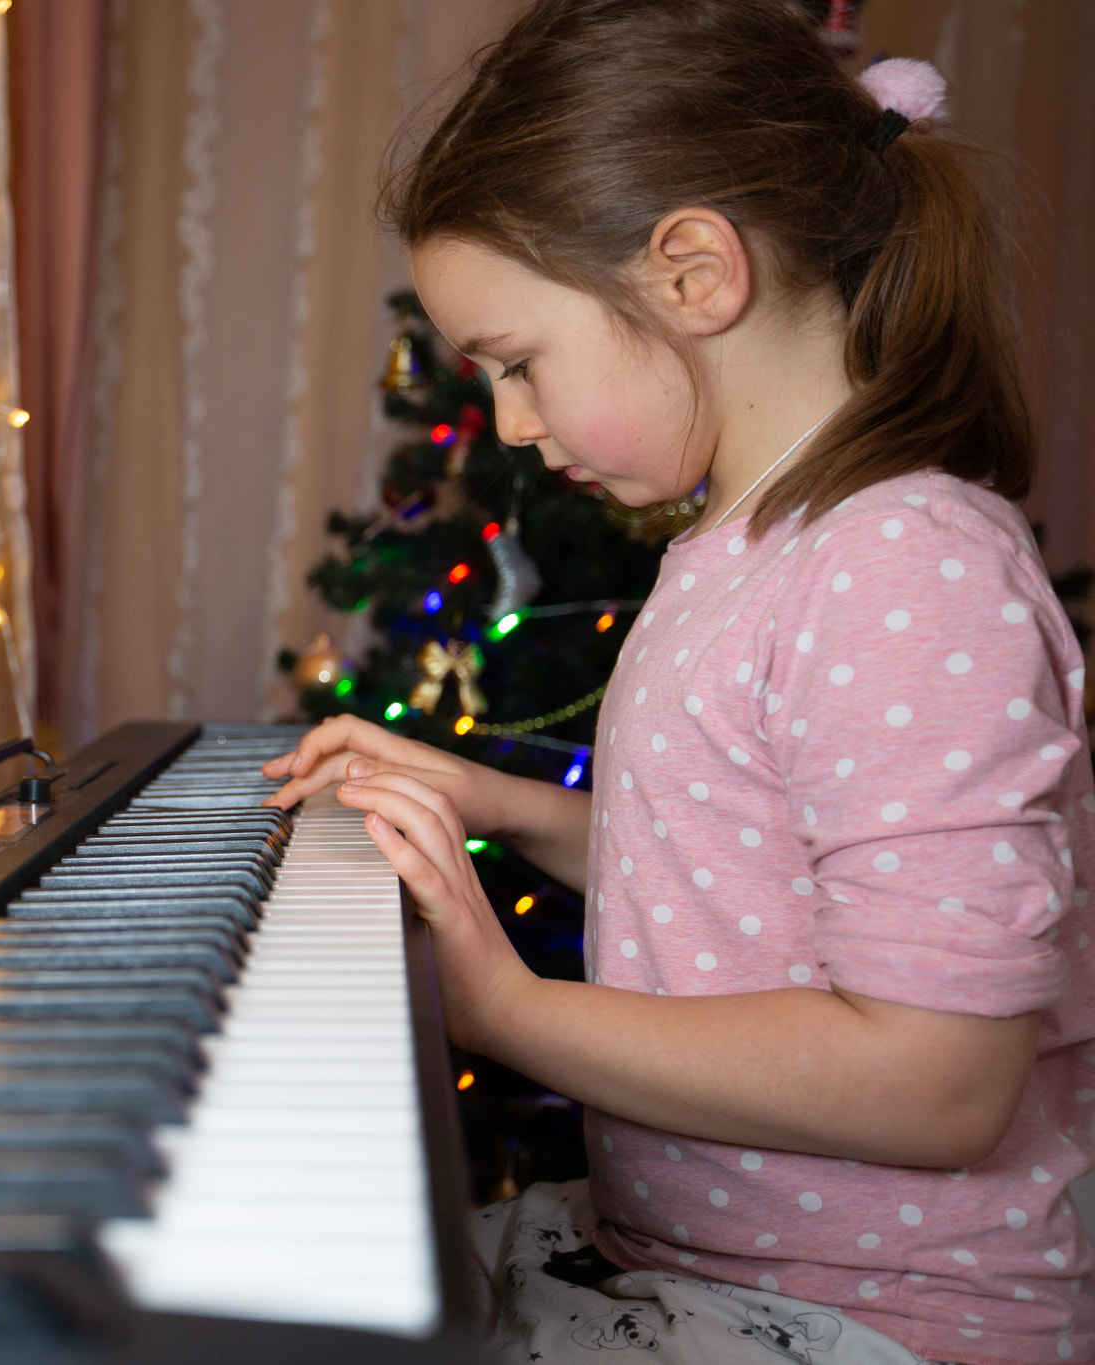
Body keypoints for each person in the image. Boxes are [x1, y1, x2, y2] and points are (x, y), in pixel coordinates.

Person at [263, 3, 1094, 1362]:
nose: (514, 429)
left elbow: (939, 1079)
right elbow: (741, 880)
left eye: (520, 365)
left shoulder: (906, 566)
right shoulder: (754, 542)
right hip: (702, 1268)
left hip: (875, 1318)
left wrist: (507, 1008)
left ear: (695, 273)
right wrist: (493, 797)